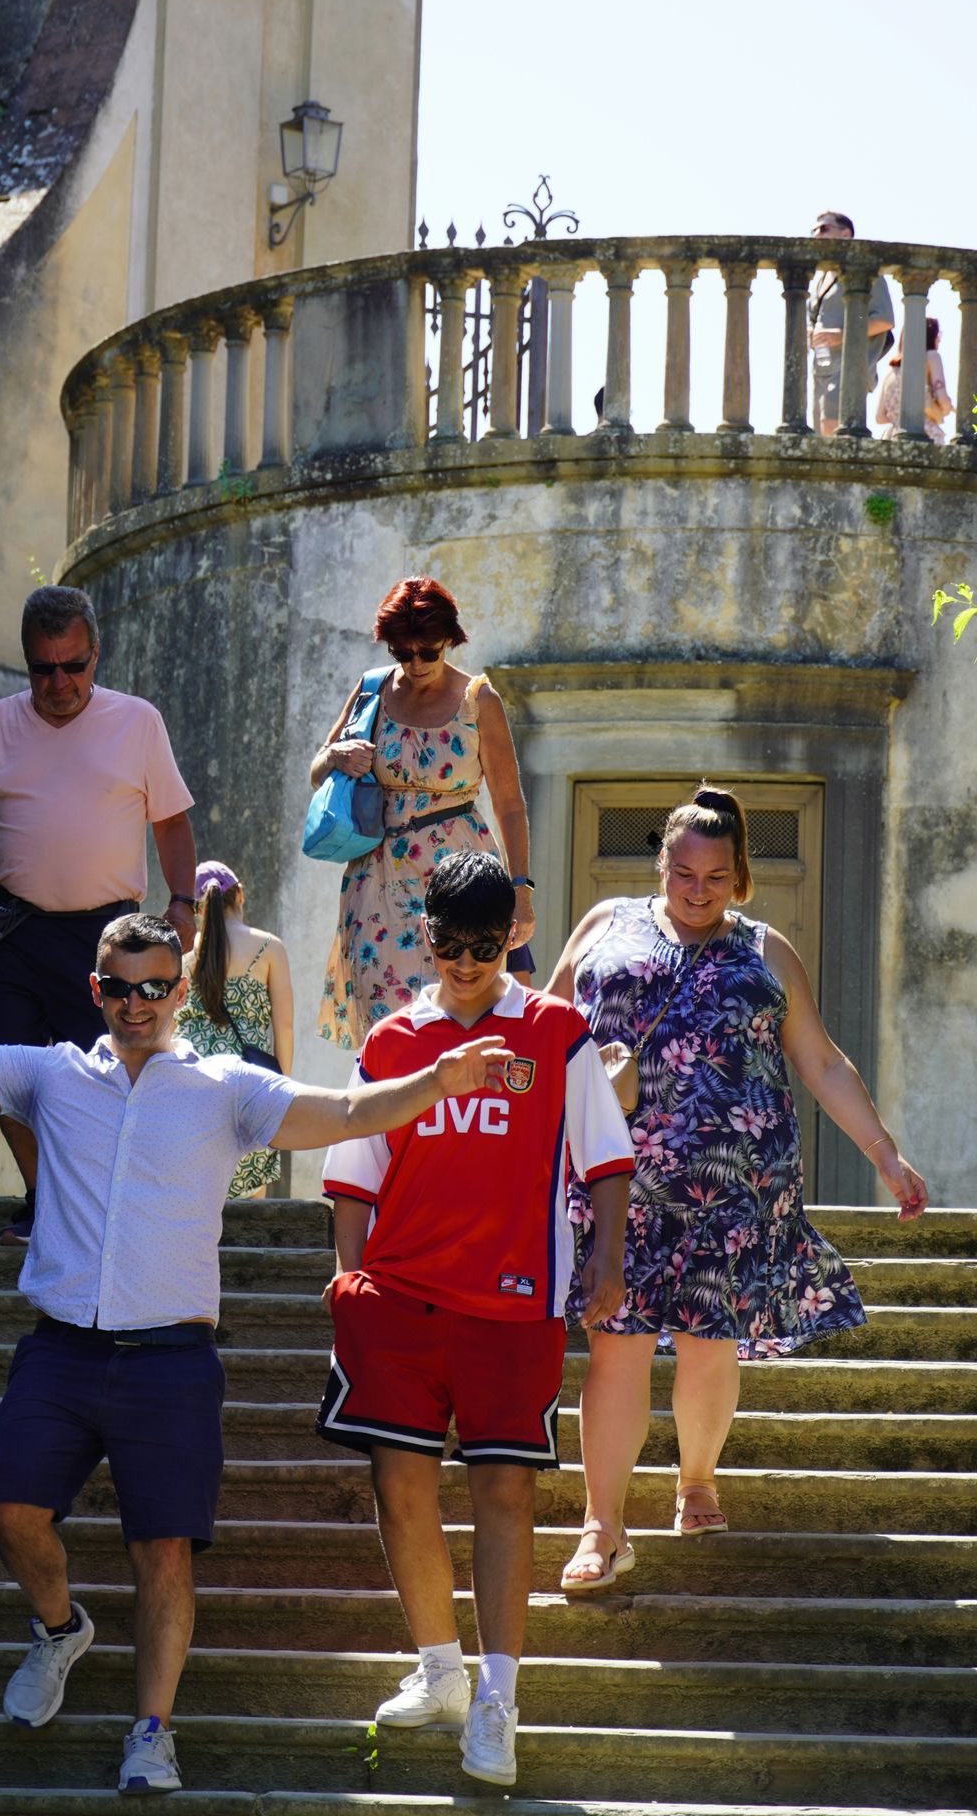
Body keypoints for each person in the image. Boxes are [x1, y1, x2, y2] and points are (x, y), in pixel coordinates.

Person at [0, 905, 513, 1796]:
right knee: (10, 1507)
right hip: (63, 1349)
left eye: (156, 986)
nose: (138, 1002)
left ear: (181, 990)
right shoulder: (51, 1077)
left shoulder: (225, 1086)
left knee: (164, 1552)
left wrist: (439, 1079)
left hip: (171, 1362)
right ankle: (59, 1628)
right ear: (97, 991)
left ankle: (151, 1731)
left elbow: (346, 1111)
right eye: (121, 987)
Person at [548, 785, 928, 1593]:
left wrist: (886, 1157)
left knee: (708, 1346)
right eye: (683, 872)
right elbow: (545, 1030)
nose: (697, 890)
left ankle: (695, 1478)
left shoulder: (765, 950)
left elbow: (821, 1060)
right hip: (621, 1183)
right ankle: (601, 1527)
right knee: (612, 1346)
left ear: (739, 876)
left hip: (736, 1188)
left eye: (715, 877)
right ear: (661, 863)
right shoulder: (604, 926)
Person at [317, 852, 634, 1789]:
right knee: (400, 1484)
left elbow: (606, 1159)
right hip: (401, 1299)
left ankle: (499, 1699)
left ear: (513, 939)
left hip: (514, 1302)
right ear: (426, 936)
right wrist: (347, 1282)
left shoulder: (557, 1031)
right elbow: (352, 1172)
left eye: (484, 946)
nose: (464, 964)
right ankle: (439, 1670)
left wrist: (608, 1262)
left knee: (505, 1492)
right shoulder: (390, 1040)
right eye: (449, 945)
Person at [0, 585, 198, 1246]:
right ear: (26, 663)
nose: (59, 681)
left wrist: (182, 901)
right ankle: (43, 1202)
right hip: (12, 932)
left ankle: (95, 1209)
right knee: (10, 1078)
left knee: (101, 1082)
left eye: (74, 665)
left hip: (105, 941)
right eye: (43, 668)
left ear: (97, 655)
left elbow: (172, 822)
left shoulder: (138, 721)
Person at [314, 577, 537, 1050]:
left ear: (451, 641)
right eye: (402, 653)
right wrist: (336, 756)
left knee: (463, 1016)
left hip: (459, 879)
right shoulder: (372, 689)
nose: (414, 664)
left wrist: (521, 889)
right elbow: (317, 771)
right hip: (377, 880)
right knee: (389, 1026)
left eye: (428, 652)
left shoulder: (480, 701)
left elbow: (510, 805)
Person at [173, 859, 295, 1198]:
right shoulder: (269, 948)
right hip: (249, 1087)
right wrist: (282, 1093)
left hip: (191, 1087)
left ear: (197, 908)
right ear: (239, 895)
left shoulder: (181, 954)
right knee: (251, 1210)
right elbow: (283, 1029)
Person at [808, 211, 895, 435]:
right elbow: (813, 318)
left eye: (825, 229)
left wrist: (842, 334)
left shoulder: (867, 273)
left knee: (834, 427)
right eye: (814, 230)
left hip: (850, 366)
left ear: (846, 235)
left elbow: (884, 319)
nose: (817, 235)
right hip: (822, 366)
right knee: (821, 434)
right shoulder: (821, 280)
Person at [876, 316, 955, 444]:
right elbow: (943, 400)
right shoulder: (931, 356)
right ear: (929, 336)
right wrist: (945, 409)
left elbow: (880, 417)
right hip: (924, 435)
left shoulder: (892, 371)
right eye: (938, 333)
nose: (939, 339)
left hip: (892, 437)